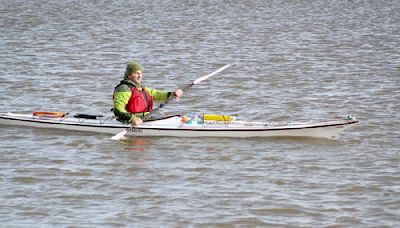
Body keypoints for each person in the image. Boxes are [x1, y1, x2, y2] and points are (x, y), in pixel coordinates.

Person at [113, 62, 183, 125]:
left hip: (147, 118)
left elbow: (157, 94)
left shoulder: (142, 88)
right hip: (131, 121)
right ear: (129, 75)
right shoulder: (123, 89)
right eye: (137, 73)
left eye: (141, 73)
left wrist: (172, 94)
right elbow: (118, 109)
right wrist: (133, 118)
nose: (140, 76)